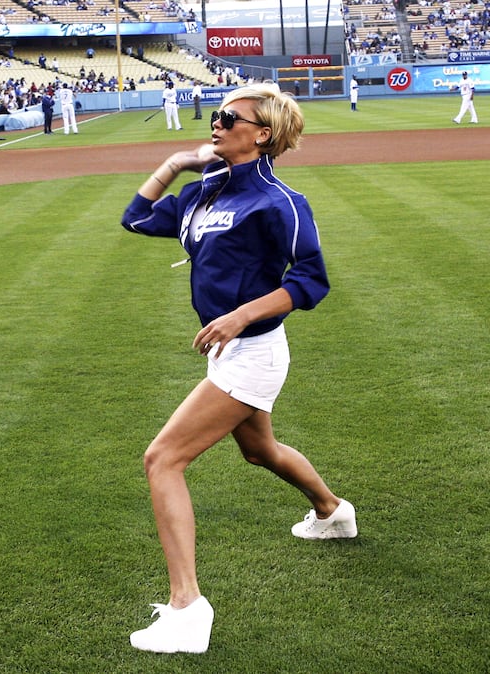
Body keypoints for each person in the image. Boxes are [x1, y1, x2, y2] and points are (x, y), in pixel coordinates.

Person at [120, 83, 357, 655]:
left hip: (254, 351)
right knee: (259, 451)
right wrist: (175, 163)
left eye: (230, 117)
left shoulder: (279, 200)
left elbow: (310, 281)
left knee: (162, 459)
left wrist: (237, 317)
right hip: (232, 352)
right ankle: (333, 511)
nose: (217, 122)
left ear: (263, 134)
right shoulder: (204, 191)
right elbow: (135, 219)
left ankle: (187, 609)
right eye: (217, 115)